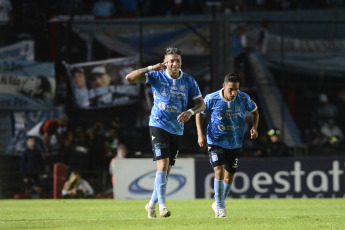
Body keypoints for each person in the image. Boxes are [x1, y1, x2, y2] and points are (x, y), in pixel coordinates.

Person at [126, 47, 206, 218]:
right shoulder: (157, 76)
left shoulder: (189, 81)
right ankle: (163, 206)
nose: (174, 63)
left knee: (166, 171)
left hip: (176, 128)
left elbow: (202, 104)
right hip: (158, 124)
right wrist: (150, 68)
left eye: (177, 60)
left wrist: (191, 112)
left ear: (181, 62)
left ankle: (151, 204)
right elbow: (129, 78)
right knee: (162, 164)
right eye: (171, 60)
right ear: (165, 62)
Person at [195, 73, 259, 218]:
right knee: (219, 170)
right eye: (231, 89)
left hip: (235, 142)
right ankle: (221, 207)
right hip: (215, 140)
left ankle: (217, 203)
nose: (234, 93)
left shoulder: (243, 98)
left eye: (236, 89)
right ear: (224, 86)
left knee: (229, 177)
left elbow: (255, 112)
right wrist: (200, 134)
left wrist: (254, 127)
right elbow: (199, 112)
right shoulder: (212, 98)